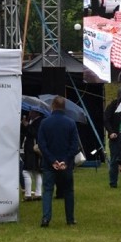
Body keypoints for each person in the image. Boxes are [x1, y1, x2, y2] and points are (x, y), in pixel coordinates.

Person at [37, 96, 81, 227]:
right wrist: (65, 161)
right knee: (68, 191)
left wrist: (52, 161)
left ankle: (46, 218)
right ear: (64, 107)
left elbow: (41, 144)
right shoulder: (71, 123)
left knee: (48, 190)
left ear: (53, 106)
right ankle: (70, 219)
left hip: (49, 164)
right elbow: (74, 145)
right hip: (66, 165)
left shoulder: (44, 123)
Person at [104, 86, 121, 188]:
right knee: (115, 160)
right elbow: (106, 120)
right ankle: (113, 182)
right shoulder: (112, 106)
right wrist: (111, 132)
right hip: (115, 137)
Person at [21, 110, 44, 201]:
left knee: (26, 171)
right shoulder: (35, 121)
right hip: (32, 149)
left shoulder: (40, 121)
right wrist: (24, 125)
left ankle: (28, 194)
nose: (29, 113)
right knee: (36, 172)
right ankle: (38, 193)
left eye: (31, 111)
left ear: (37, 112)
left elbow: (36, 134)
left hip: (33, 149)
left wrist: (27, 125)